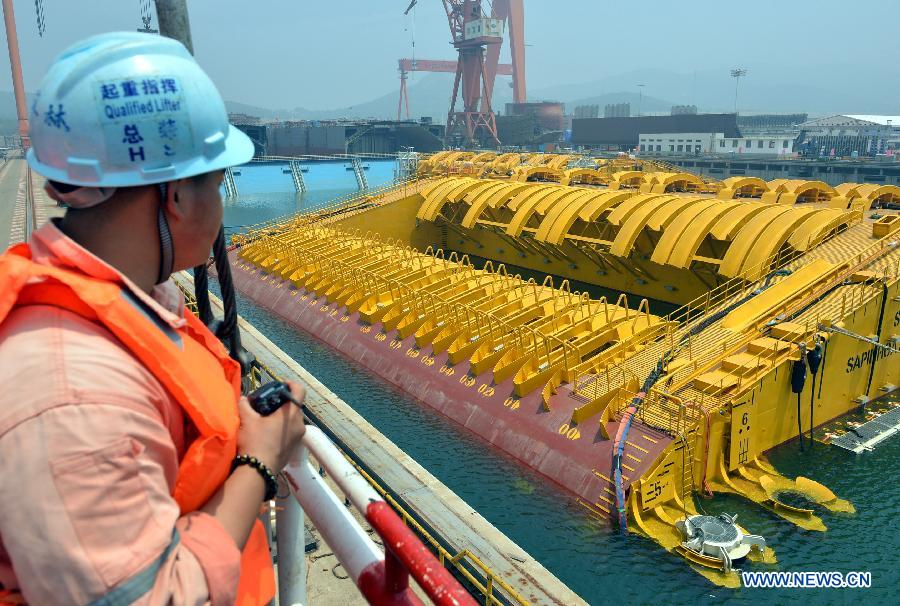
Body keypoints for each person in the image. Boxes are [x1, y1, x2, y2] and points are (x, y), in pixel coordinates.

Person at [0, 32, 306, 605]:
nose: (220, 207)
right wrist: (258, 462)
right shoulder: (72, 390)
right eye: (216, 184)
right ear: (174, 197)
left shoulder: (125, 299)